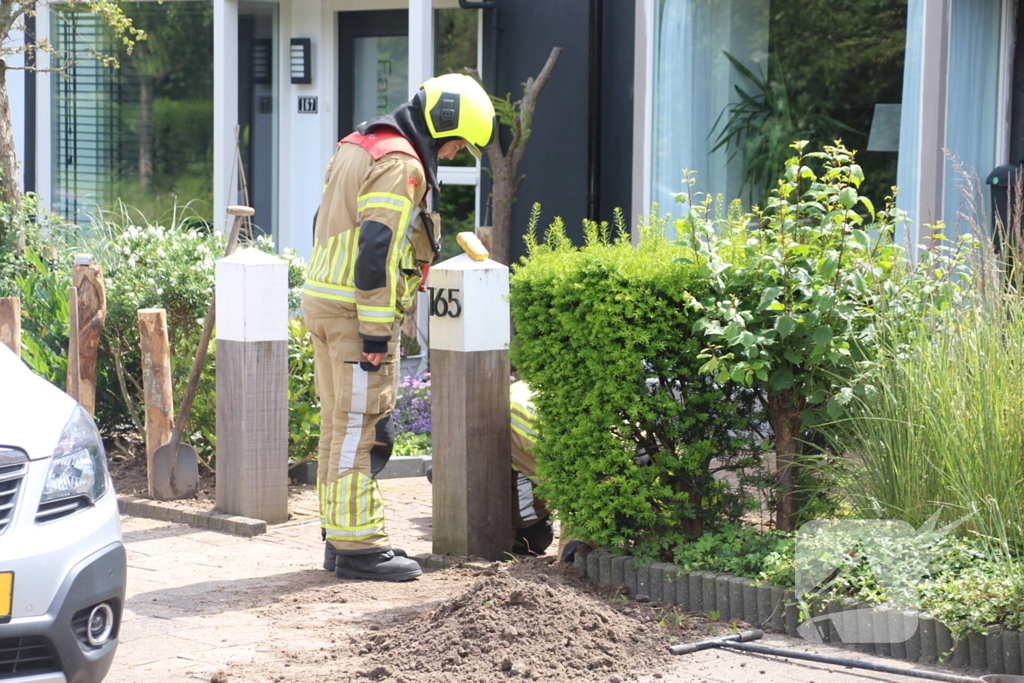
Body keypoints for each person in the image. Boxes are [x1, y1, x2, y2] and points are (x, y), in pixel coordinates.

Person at [302, 73, 495, 582]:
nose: (453, 154)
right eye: (457, 144)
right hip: (354, 315)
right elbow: (377, 247)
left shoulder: (361, 143)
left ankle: (340, 536)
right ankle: (359, 548)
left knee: (339, 427)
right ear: (444, 125)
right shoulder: (402, 163)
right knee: (360, 431)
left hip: (326, 301)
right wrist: (374, 331)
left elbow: (324, 221)